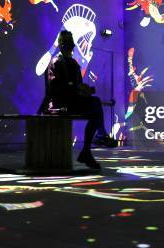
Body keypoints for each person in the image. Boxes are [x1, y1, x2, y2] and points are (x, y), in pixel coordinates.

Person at [39, 30, 116, 169]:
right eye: (68, 43)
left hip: (71, 102)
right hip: (59, 104)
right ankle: (96, 140)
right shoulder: (55, 62)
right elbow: (55, 88)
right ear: (62, 46)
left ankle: (88, 149)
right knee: (95, 106)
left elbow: (76, 86)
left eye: (71, 43)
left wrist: (84, 90)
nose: (72, 46)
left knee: (95, 106)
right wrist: (75, 87)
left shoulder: (74, 64)